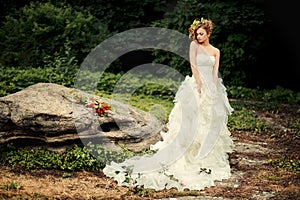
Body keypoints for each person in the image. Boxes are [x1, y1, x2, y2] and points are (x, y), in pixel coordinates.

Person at [103, 17, 234, 191]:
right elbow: (193, 66)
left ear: (209, 33)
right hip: (196, 85)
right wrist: (200, 85)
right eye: (196, 34)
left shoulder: (216, 51)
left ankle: (205, 156)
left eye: (202, 34)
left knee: (209, 120)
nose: (199, 37)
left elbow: (215, 70)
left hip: (211, 85)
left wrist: (214, 88)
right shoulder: (194, 46)